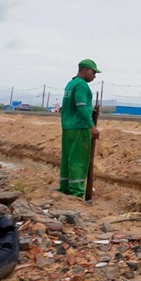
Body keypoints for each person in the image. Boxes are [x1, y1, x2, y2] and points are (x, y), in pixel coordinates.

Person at [58, 59, 101, 198]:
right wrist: (91, 126)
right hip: (79, 127)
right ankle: (76, 192)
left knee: (68, 158)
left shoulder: (71, 84)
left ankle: (65, 188)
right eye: (93, 72)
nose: (94, 76)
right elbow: (81, 106)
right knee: (79, 159)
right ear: (85, 70)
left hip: (68, 127)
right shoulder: (82, 85)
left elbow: (66, 107)